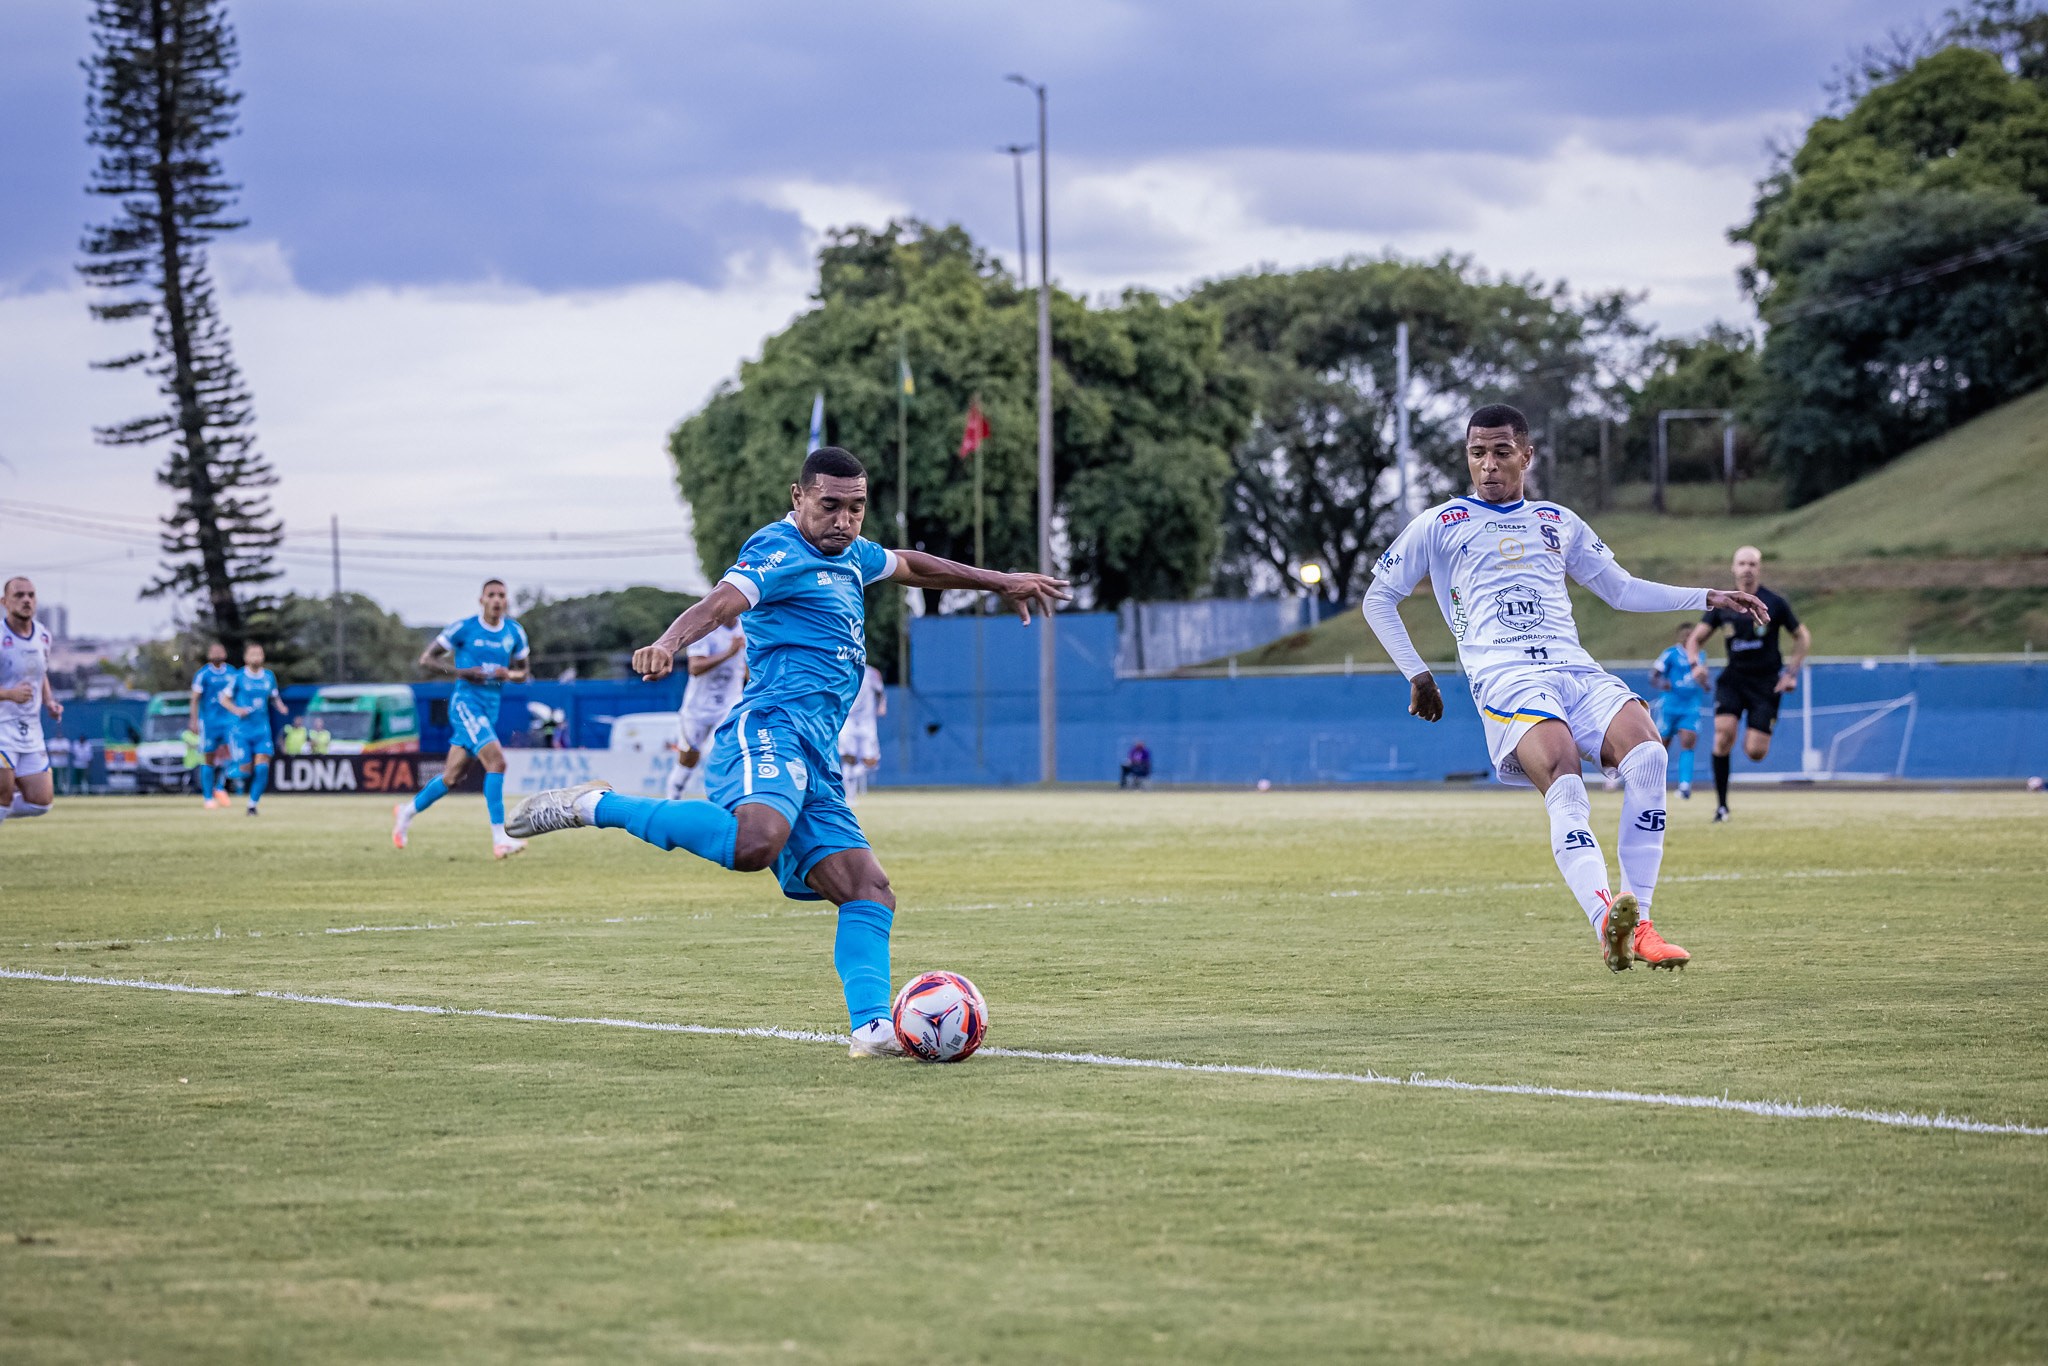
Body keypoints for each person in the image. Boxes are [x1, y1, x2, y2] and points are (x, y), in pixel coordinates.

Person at [507, 446, 1067, 1055]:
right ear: (798, 497)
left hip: (818, 752)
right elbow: (720, 603)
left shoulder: (854, 554)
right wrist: (669, 642)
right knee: (755, 844)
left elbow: (914, 565)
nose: (844, 521)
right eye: (830, 506)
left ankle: (872, 1028)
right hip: (771, 727)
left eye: (856, 508)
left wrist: (1001, 580)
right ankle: (596, 805)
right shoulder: (778, 548)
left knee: (868, 890)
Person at [1361, 405, 1768, 972]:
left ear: (1526, 456)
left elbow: (1621, 589)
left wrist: (1708, 597)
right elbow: (1378, 598)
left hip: (1575, 668)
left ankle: (1640, 925)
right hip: (1506, 676)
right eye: (1477, 453)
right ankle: (1605, 920)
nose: (1488, 464)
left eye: (1501, 452)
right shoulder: (1440, 523)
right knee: (1565, 775)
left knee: (1650, 755)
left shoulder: (1558, 521)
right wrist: (1418, 674)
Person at [393, 579, 532, 858]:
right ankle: (500, 838)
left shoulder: (514, 632)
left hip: (489, 709)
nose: (496, 600)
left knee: (452, 777)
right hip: (465, 705)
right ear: (481, 600)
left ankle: (406, 813)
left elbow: (524, 673)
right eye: (491, 595)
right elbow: (427, 659)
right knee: (497, 762)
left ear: (506, 601)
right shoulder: (464, 628)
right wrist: (463, 672)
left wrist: (508, 674)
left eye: (501, 595)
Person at [1687, 545, 1810, 823]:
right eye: (1742, 563)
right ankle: (1722, 807)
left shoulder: (1775, 603)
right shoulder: (1724, 603)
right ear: (1733, 568)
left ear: (1759, 569)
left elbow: (1802, 636)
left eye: (1752, 564)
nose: (1747, 569)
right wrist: (1695, 665)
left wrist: (1791, 673)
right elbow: (1695, 639)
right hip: (1733, 679)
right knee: (1723, 735)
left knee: (1755, 752)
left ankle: (1757, 727)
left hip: (1766, 683)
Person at [0, 577, 64, 832]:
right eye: (19, 595)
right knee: (3, 795)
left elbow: (40, 674)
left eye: (31, 595)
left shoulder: (43, 636)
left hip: (30, 730)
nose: (26, 600)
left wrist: (49, 701)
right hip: (2, 728)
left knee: (41, 802)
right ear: (4, 602)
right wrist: (9, 694)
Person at [667, 619, 747, 799]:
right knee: (688, 759)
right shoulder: (704, 629)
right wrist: (729, 652)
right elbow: (695, 668)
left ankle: (720, 801)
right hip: (697, 708)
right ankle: (672, 799)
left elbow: (746, 665)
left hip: (729, 704)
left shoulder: (746, 627)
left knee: (720, 752)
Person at [220, 642, 287, 815]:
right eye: (253, 654)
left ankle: (252, 805)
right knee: (245, 769)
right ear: (246, 657)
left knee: (262, 768)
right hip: (241, 731)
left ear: (263, 656)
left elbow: (274, 696)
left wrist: (281, 706)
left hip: (262, 730)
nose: (256, 657)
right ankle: (222, 781)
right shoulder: (239, 676)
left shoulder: (269, 677)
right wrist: (236, 710)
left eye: (259, 653)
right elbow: (223, 699)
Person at [1649, 623, 1708, 800]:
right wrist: (1663, 684)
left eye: (1692, 634)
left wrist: (1704, 682)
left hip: (1690, 707)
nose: (1688, 637)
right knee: (1661, 746)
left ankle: (1684, 786)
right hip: (1669, 706)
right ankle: (1652, 783)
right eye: (1685, 634)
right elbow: (1654, 675)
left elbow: (1706, 683)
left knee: (1688, 743)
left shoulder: (1700, 656)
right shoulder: (1670, 654)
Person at [189, 641, 239, 807]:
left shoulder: (232, 672)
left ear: (225, 654)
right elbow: (194, 699)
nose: (217, 653)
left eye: (220, 650)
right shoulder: (203, 674)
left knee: (234, 756)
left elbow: (238, 695)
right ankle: (208, 797)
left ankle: (219, 787)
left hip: (229, 722)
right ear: (209, 655)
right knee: (208, 758)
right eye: (214, 651)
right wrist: (194, 720)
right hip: (209, 723)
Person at [836, 663, 886, 800]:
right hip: (848, 719)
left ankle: (856, 773)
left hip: (867, 721)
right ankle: (849, 797)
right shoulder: (843, 669)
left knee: (871, 760)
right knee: (847, 757)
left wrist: (882, 705)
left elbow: (880, 692)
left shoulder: (872, 673)